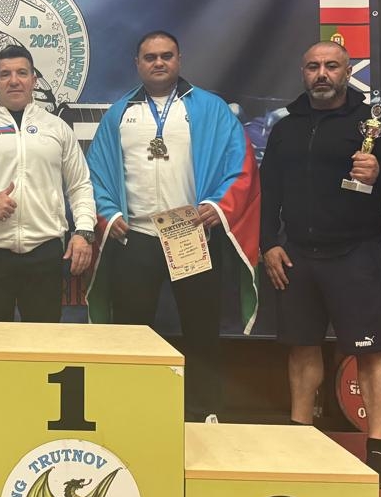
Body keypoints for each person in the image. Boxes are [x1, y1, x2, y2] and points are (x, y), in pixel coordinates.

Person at [260, 40, 381, 489]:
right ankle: (300, 435)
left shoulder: (374, 124)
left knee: (371, 352)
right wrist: (268, 244)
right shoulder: (286, 128)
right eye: (313, 66)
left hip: (356, 254)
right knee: (301, 348)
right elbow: (269, 191)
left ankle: (377, 446)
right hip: (297, 254)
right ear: (303, 72)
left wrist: (380, 174)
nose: (322, 74)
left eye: (331, 66)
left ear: (347, 72)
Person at [87, 30, 260, 422]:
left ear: (179, 59)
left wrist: (218, 205)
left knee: (201, 328)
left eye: (166, 55)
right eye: (150, 57)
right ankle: (130, 411)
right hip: (137, 236)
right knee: (131, 332)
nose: (159, 62)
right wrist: (108, 213)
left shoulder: (211, 109)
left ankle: (205, 410)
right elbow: (94, 173)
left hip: (190, 233)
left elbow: (241, 163)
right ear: (137, 64)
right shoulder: (120, 114)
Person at [0, 45, 95, 321]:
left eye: (22, 73)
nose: (14, 80)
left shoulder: (57, 128)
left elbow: (80, 185)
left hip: (45, 253)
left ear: (34, 80)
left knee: (43, 340)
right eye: (5, 74)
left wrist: (84, 231)